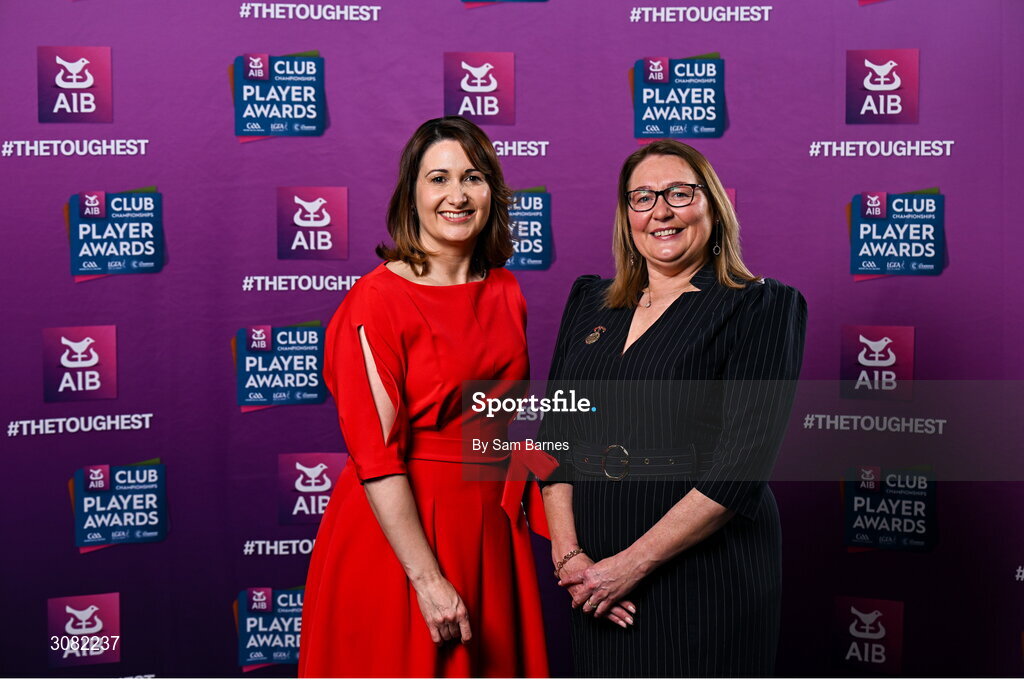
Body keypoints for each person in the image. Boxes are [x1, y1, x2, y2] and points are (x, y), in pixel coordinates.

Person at [539, 140, 807, 677]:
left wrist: (628, 568)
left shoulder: (759, 304)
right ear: (626, 215)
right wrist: (572, 561)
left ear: (712, 205)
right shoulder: (590, 300)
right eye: (642, 197)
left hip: (703, 572)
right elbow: (554, 441)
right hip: (593, 574)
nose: (660, 211)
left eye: (678, 193)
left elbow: (739, 469)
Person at [299, 117, 548, 678]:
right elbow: (377, 457)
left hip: (489, 523)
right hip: (405, 534)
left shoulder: (507, 289)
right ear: (412, 194)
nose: (457, 195)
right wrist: (428, 579)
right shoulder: (375, 300)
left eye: (474, 177)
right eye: (439, 178)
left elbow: (502, 426)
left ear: (493, 192)